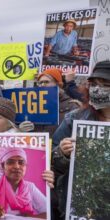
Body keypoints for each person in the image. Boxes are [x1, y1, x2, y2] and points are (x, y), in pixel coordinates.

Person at [52, 60, 110, 219]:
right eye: (94, 83)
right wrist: (62, 153)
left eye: (106, 84)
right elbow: (53, 159)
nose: (98, 89)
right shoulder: (75, 118)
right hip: (81, 207)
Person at [0, 148, 47, 218]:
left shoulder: (30, 187)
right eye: (10, 162)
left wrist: (27, 218)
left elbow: (47, 212)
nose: (17, 166)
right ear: (3, 166)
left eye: (21, 162)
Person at [35, 68, 80, 136]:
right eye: (40, 82)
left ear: (58, 84)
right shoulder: (34, 104)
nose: (43, 85)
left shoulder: (72, 105)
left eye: (46, 82)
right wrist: (21, 128)